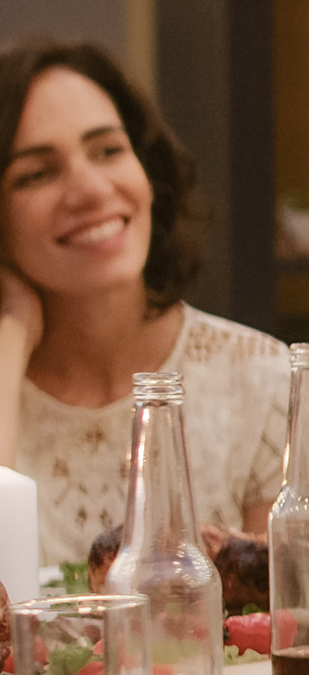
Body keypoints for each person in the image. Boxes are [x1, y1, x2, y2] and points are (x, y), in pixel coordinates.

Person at [0, 39, 290, 566]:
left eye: (108, 150)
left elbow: (298, 607)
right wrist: (12, 329)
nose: (91, 190)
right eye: (37, 173)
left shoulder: (263, 381)